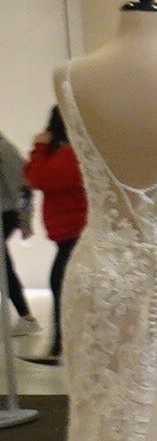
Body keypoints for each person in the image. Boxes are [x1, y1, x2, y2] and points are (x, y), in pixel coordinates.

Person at [21, 109, 84, 365]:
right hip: (71, 232)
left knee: (61, 287)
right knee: (61, 287)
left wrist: (39, 147)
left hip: (74, 232)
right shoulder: (70, 151)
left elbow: (39, 178)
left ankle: (61, 348)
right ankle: (61, 347)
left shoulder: (70, 153)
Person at [0, 131, 31, 336]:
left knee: (4, 267)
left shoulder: (4, 149)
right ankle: (26, 317)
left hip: (5, 214)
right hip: (6, 213)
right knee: (3, 266)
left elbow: (22, 187)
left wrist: (24, 219)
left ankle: (26, 317)